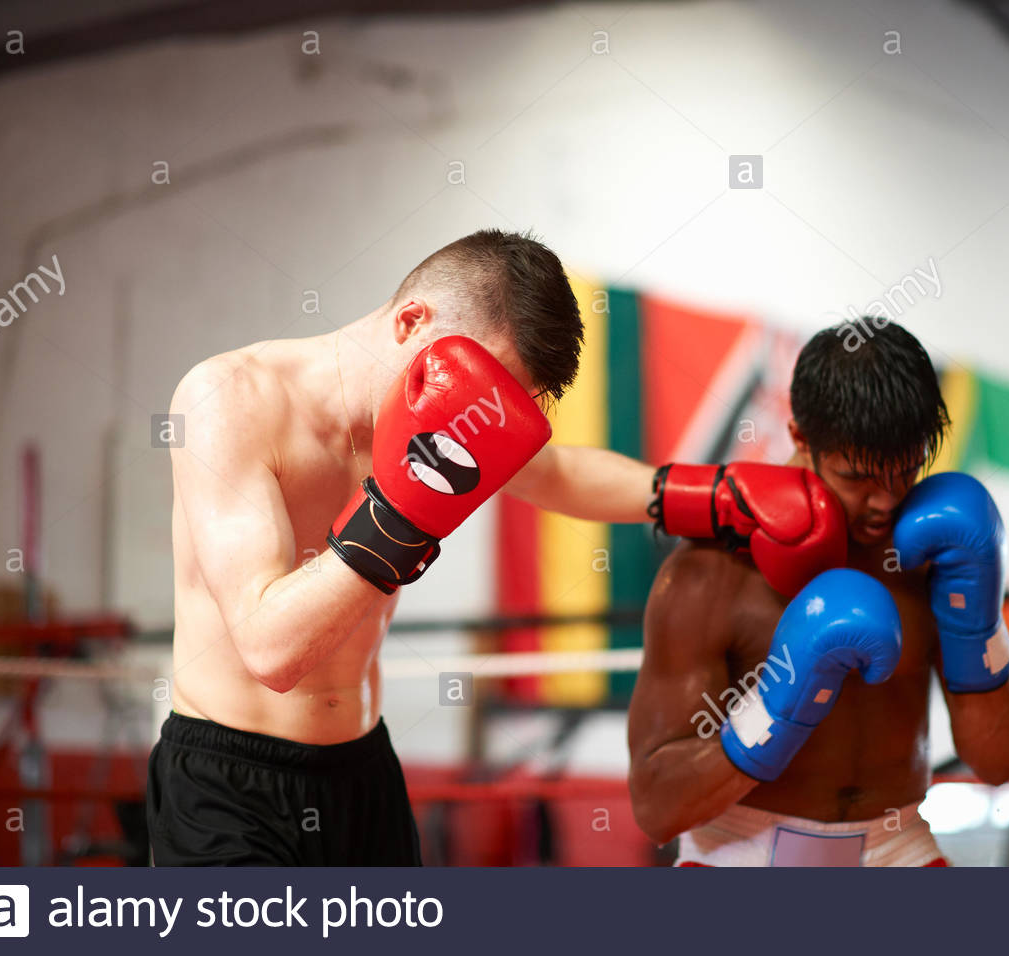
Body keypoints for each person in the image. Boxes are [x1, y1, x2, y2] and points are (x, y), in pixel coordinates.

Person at [148, 229, 654, 865]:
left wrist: (707, 496)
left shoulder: (451, 421)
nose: (474, 410)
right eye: (473, 380)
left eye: (497, 398)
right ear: (412, 322)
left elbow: (560, 475)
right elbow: (270, 651)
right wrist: (398, 517)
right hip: (228, 790)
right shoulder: (230, 398)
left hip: (363, 775)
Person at [628, 320, 1009, 866]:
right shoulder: (712, 569)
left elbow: (999, 762)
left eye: (907, 471)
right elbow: (656, 807)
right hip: (739, 851)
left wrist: (977, 621)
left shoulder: (939, 549)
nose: (886, 501)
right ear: (800, 438)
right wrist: (773, 712)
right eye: (858, 476)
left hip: (895, 846)